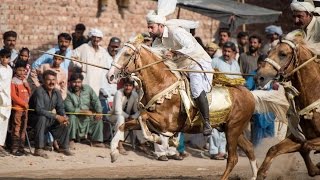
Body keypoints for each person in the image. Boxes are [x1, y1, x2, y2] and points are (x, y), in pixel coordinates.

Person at [146, 0, 213, 136]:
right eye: (148, 27)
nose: (149, 30)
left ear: (160, 25)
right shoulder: (158, 40)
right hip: (180, 65)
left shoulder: (175, 31)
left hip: (197, 62)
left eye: (151, 27)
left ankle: (207, 122)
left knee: (195, 89)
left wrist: (175, 52)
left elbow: (191, 47)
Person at [29, 70, 72, 159]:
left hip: (48, 117)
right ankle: (38, 149)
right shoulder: (39, 91)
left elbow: (60, 108)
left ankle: (64, 147)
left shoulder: (57, 92)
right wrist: (56, 116)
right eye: (49, 80)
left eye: (53, 80)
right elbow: (39, 110)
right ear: (44, 81)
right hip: (35, 119)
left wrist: (63, 116)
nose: (51, 82)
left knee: (65, 120)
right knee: (42, 118)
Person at [210, 42, 241, 160]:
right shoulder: (216, 61)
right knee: (215, 124)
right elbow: (209, 76)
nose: (226, 54)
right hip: (217, 95)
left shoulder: (235, 64)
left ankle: (222, 151)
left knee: (226, 125)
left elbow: (238, 78)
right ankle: (213, 151)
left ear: (234, 53)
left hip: (231, 98)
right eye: (225, 51)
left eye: (229, 51)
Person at [64, 73, 105, 149]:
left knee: (98, 118)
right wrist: (84, 111)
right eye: (74, 82)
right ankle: (70, 140)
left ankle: (96, 141)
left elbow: (95, 100)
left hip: (87, 117)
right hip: (75, 117)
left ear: (82, 82)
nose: (77, 84)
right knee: (72, 117)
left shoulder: (88, 89)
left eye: (79, 82)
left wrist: (99, 112)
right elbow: (70, 109)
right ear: (70, 82)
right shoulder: (67, 92)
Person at [245, 55, 275, 147]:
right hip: (258, 107)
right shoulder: (254, 74)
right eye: (262, 65)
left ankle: (269, 148)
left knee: (270, 129)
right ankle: (257, 151)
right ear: (258, 64)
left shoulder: (272, 75)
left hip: (270, 107)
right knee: (259, 129)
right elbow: (248, 87)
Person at [72, 28, 111, 95]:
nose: (96, 39)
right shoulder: (84, 47)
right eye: (94, 37)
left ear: (100, 39)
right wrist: (79, 65)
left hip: (98, 82)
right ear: (90, 37)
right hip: (86, 79)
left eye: (98, 37)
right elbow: (72, 56)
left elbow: (107, 64)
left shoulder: (103, 51)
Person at [109, 77, 140, 162]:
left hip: (127, 117)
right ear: (123, 86)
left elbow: (137, 111)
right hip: (114, 116)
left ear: (133, 87)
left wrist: (132, 117)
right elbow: (117, 111)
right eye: (126, 85)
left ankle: (142, 144)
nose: (128, 88)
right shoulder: (119, 93)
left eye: (130, 86)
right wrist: (128, 117)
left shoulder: (134, 95)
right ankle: (120, 144)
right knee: (121, 118)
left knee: (140, 118)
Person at [10, 60, 31, 156]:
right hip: (18, 108)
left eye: (23, 70)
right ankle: (14, 148)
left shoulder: (24, 80)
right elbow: (13, 96)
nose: (22, 72)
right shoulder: (14, 81)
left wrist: (26, 85)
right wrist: (23, 103)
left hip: (25, 109)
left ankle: (21, 147)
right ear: (15, 70)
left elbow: (29, 93)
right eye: (19, 70)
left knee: (24, 128)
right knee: (16, 128)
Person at [0, 49, 13, 157]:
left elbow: (8, 85)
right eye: (2, 57)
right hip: (0, 98)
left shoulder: (10, 69)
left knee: (4, 123)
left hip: (7, 99)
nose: (4, 59)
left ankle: (1, 145)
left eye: (7, 57)